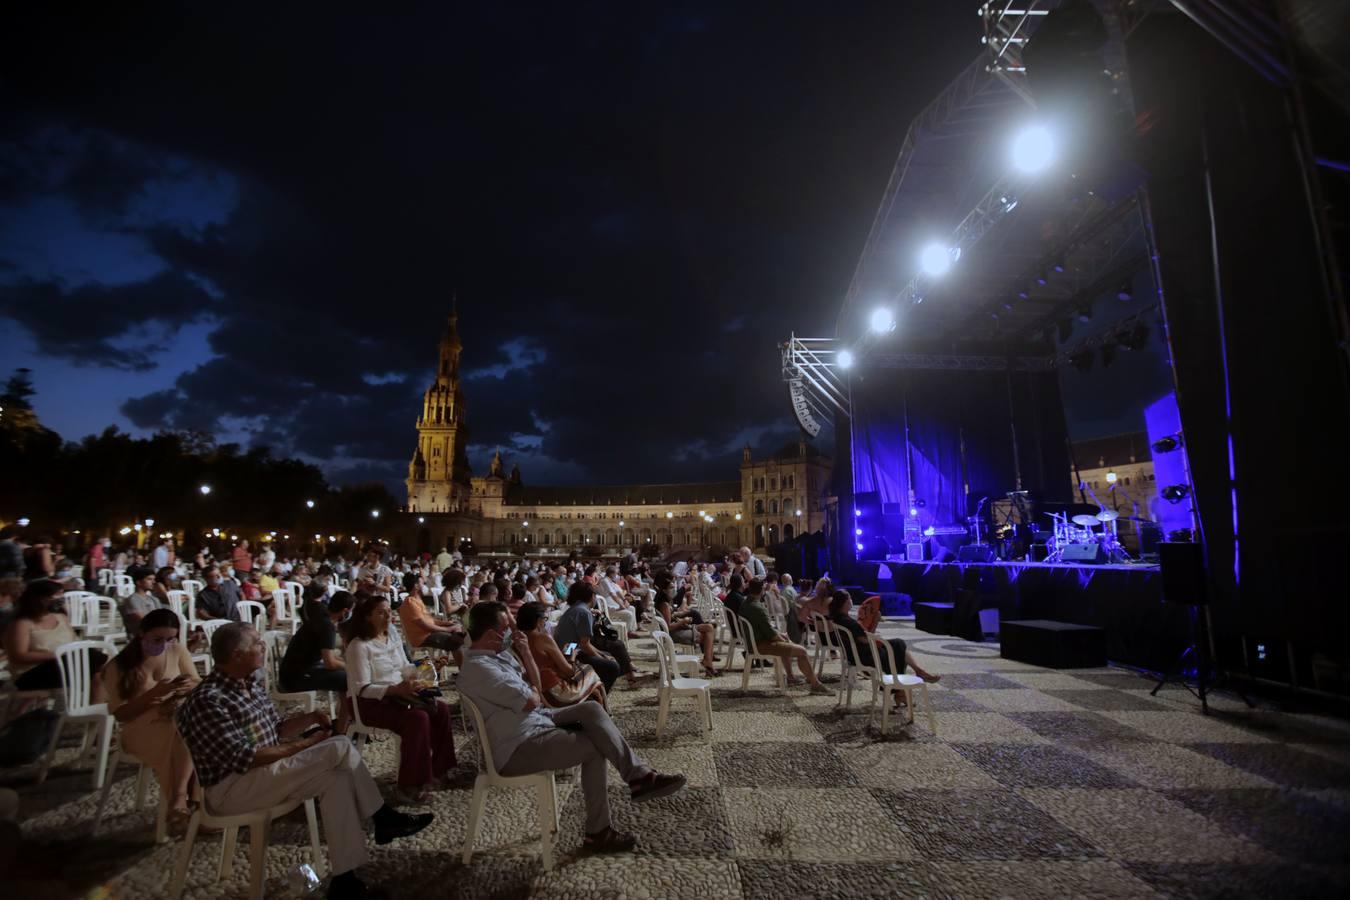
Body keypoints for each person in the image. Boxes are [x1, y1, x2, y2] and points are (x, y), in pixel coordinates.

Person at [176, 623, 432, 900]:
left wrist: (309, 718)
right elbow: (246, 758)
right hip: (232, 788)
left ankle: (345, 880)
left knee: (337, 779)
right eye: (257, 644)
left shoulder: (250, 682)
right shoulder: (209, 700)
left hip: (264, 774)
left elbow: (274, 729)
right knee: (340, 746)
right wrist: (309, 744)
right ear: (237, 655)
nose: (264, 647)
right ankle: (382, 817)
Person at [458, 601, 686, 852]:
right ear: (492, 635)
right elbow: (531, 699)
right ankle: (598, 832)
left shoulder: (498, 655)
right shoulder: (480, 669)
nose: (514, 631)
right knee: (595, 747)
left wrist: (525, 656)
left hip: (536, 719)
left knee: (592, 709)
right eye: (507, 627)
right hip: (517, 745)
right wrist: (532, 691)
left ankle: (638, 775)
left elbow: (534, 688)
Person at [346, 597, 458, 804]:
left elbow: (405, 667)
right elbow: (361, 688)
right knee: (417, 719)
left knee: (440, 708)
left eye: (389, 611)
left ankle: (440, 770)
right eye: (381, 612)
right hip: (370, 702)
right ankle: (410, 785)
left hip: (400, 693)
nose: (389, 616)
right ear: (367, 617)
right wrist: (394, 689)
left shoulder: (393, 635)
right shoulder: (359, 646)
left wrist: (428, 667)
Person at [101, 608, 198, 830]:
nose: (163, 644)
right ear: (141, 634)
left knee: (194, 728)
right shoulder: (119, 666)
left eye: (169, 639)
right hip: (139, 727)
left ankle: (191, 802)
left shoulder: (176, 651)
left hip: (172, 717)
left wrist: (186, 686)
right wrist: (153, 695)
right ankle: (182, 797)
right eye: (157, 639)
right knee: (185, 731)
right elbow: (121, 714)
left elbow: (197, 682)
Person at [2, 580, 106, 698]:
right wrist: (58, 654)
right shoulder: (22, 624)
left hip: (63, 664)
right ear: (40, 599)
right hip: (32, 672)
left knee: (97, 673)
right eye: (56, 596)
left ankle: (94, 709)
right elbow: (18, 656)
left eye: (61, 594)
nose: (60, 599)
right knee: (92, 659)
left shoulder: (61, 618)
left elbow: (74, 642)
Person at [828, 591, 940, 698]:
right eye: (850, 599)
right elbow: (867, 639)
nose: (851, 601)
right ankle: (901, 689)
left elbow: (863, 637)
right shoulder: (848, 622)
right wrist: (875, 621)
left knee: (898, 644)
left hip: (854, 654)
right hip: (865, 657)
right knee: (898, 649)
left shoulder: (839, 619)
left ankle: (912, 679)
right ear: (845, 603)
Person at [552, 582, 648, 692]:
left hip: (569, 649)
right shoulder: (583, 612)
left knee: (612, 651)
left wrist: (602, 654)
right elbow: (584, 645)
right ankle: (598, 693)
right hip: (570, 652)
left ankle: (622, 679)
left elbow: (583, 643)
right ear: (592, 596)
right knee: (612, 666)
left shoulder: (576, 608)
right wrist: (601, 656)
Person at [281, 590, 354, 733]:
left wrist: (345, 662)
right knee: (348, 680)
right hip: (295, 677)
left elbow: (330, 657)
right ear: (345, 611)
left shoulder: (321, 617)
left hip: (295, 670)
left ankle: (342, 720)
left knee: (343, 674)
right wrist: (350, 666)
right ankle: (341, 730)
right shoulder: (327, 626)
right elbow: (330, 663)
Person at [741, 579, 831, 694]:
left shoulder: (746, 603)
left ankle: (791, 677)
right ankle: (815, 684)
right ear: (762, 590)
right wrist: (781, 637)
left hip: (754, 641)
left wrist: (781, 636)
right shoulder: (757, 608)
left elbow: (765, 629)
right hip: (760, 645)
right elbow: (771, 635)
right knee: (802, 651)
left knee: (787, 640)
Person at [517, 601, 607, 708]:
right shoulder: (543, 638)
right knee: (590, 672)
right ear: (538, 620)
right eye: (545, 619)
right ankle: (605, 714)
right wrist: (572, 655)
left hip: (536, 688)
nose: (545, 623)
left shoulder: (518, 640)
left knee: (592, 684)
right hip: (556, 694)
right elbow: (569, 672)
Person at [652, 575, 719, 677]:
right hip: (673, 634)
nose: (674, 589)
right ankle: (708, 662)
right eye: (671, 587)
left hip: (676, 630)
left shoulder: (664, 603)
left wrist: (680, 616)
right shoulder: (664, 605)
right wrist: (683, 621)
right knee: (707, 635)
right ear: (664, 590)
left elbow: (670, 617)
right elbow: (668, 627)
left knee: (709, 627)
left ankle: (708, 661)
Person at [397, 572, 465, 657]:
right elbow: (425, 626)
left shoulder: (417, 599)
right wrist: (448, 629)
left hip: (428, 633)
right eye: (423, 583)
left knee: (457, 633)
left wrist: (447, 624)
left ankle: (462, 666)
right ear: (416, 586)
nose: (425, 586)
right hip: (422, 637)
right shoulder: (410, 603)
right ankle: (464, 668)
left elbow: (430, 621)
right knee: (456, 641)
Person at [120, 566, 161, 636]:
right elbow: (141, 619)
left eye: (154, 579)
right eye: (149, 579)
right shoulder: (132, 600)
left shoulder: (154, 599)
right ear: (138, 582)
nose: (153, 582)